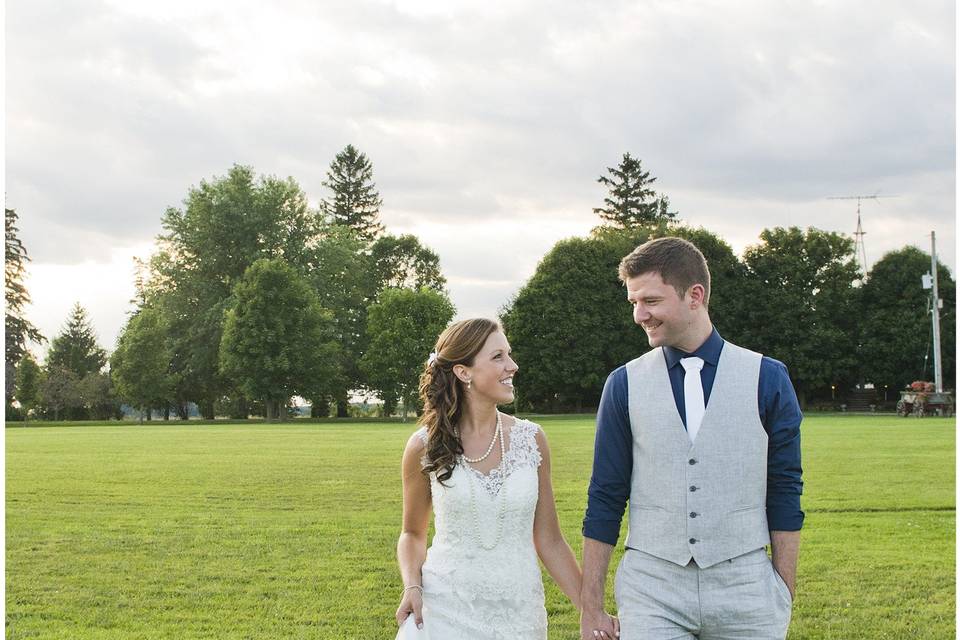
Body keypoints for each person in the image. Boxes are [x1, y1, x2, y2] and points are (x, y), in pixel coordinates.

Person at [579, 237, 804, 640]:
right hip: (652, 588)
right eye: (633, 301)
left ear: (695, 295)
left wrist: (782, 589)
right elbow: (605, 496)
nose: (638, 315)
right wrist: (591, 606)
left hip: (746, 589)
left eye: (649, 301)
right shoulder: (623, 384)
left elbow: (785, 489)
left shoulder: (767, 378)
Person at [395, 318, 586, 639]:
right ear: (463, 371)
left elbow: (550, 540)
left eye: (508, 355)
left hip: (519, 614)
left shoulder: (532, 439)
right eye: (498, 357)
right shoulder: (423, 446)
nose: (512, 365)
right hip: (443, 613)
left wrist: (590, 608)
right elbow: (412, 533)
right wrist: (412, 585)